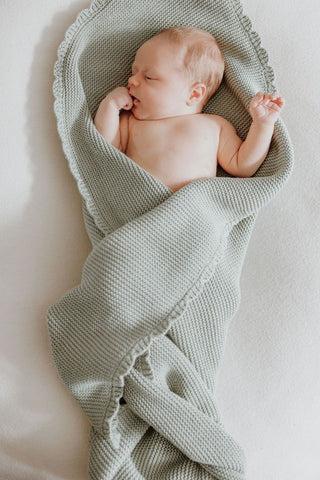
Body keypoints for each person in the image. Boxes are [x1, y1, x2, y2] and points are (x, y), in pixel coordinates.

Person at [94, 26, 284, 192]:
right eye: (134, 72)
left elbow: (242, 165)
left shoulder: (214, 126)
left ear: (194, 94)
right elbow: (106, 150)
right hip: (141, 204)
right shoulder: (132, 122)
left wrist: (262, 124)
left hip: (190, 213)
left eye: (149, 77)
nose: (132, 80)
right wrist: (110, 106)